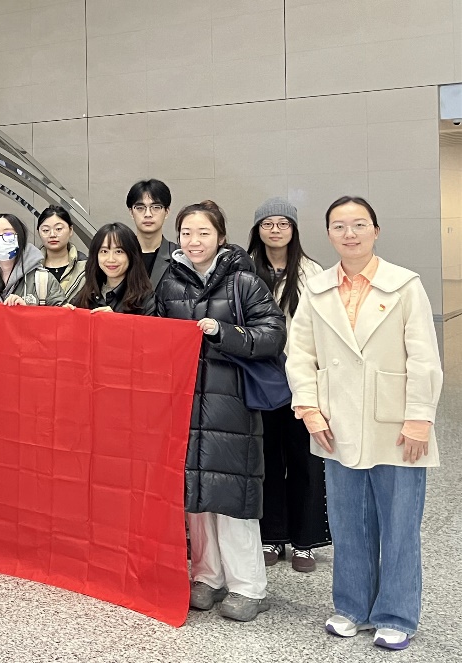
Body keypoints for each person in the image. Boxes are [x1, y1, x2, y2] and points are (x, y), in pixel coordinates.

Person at [285, 197, 443, 651]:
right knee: (348, 521)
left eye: (358, 225)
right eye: (339, 226)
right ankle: (352, 606)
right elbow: (300, 354)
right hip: (335, 421)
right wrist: (309, 409)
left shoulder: (404, 285)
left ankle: (396, 614)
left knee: (399, 524)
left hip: (397, 421)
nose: (349, 234)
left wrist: (419, 419)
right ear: (329, 234)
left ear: (376, 230)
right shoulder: (317, 289)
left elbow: (424, 357)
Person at [156, 200, 286, 622]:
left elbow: (273, 334)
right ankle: (207, 577)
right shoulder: (170, 282)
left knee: (232, 496)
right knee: (196, 496)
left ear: (221, 237)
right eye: (187, 233)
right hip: (185, 404)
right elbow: (154, 333)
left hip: (231, 404)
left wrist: (224, 333)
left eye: (203, 233)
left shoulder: (244, 281)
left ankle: (249, 587)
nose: (194, 241)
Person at [246, 198, 329, 573]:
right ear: (258, 230)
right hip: (261, 378)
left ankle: (305, 541)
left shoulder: (312, 272)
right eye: (267, 223)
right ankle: (271, 536)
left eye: (283, 223)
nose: (275, 230)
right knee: (266, 459)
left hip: (303, 379)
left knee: (305, 460)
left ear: (294, 229)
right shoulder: (245, 268)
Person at [0, 214, 64, 306]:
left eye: (8, 234)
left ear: (20, 238)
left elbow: (61, 316)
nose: (1, 239)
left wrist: (26, 312)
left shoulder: (42, 280)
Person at [67, 222, 156, 315]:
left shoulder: (145, 300)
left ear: (132, 255)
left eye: (119, 251)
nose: (111, 259)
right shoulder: (86, 294)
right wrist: (67, 314)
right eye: (104, 251)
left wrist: (114, 321)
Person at [127, 179, 179, 287]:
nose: (148, 214)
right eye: (140, 208)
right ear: (131, 212)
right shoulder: (121, 255)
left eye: (156, 207)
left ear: (167, 212)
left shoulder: (179, 257)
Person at [37, 205, 87, 303]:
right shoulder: (29, 268)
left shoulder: (86, 267)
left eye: (58, 229)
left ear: (71, 230)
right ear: (39, 232)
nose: (52, 235)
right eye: (46, 230)